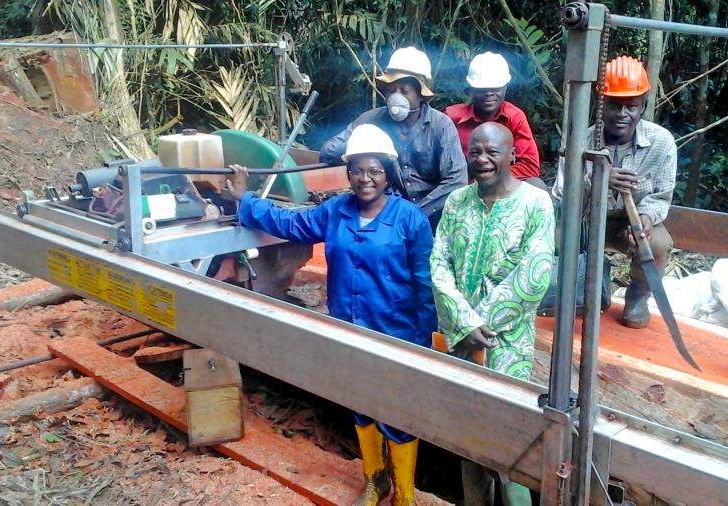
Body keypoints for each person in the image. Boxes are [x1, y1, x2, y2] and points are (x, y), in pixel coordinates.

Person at [229, 124, 435, 506]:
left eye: (373, 170)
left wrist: (423, 341)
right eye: (357, 170)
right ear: (348, 173)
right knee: (361, 405)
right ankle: (376, 480)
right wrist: (246, 201)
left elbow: (425, 283)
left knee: (399, 415)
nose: (364, 178)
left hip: (398, 335)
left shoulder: (410, 220)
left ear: (388, 173)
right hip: (349, 331)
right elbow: (291, 223)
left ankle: (405, 495)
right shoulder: (335, 211)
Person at [430, 122, 555, 505]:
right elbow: (439, 264)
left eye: (492, 152)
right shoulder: (457, 202)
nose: (482, 159)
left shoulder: (535, 204)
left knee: (510, 439)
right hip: (461, 339)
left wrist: (483, 324)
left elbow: (535, 273)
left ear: (512, 155)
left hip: (508, 342)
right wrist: (465, 323)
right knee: (469, 436)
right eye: (475, 152)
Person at [554, 55, 677, 329]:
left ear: (643, 105)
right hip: (585, 220)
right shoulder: (580, 141)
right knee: (555, 239)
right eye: (615, 105)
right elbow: (562, 193)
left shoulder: (661, 142)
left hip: (628, 222)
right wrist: (598, 180)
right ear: (601, 104)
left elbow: (661, 195)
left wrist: (644, 218)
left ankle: (637, 298)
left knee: (656, 244)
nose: (623, 114)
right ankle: (585, 288)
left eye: (631, 106)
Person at [320, 46, 467, 228]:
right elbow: (328, 152)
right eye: (391, 91)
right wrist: (360, 137)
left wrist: (414, 214)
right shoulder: (371, 119)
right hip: (386, 216)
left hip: (432, 217)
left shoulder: (440, 125)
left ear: (421, 95)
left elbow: (456, 181)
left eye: (404, 91)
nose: (395, 97)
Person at [445, 51, 542, 187]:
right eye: (482, 89)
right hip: (462, 184)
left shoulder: (513, 117)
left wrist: (488, 180)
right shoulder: (452, 117)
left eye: (495, 88)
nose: (489, 94)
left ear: (505, 88)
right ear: (471, 90)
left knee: (537, 185)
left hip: (502, 185)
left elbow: (530, 165)